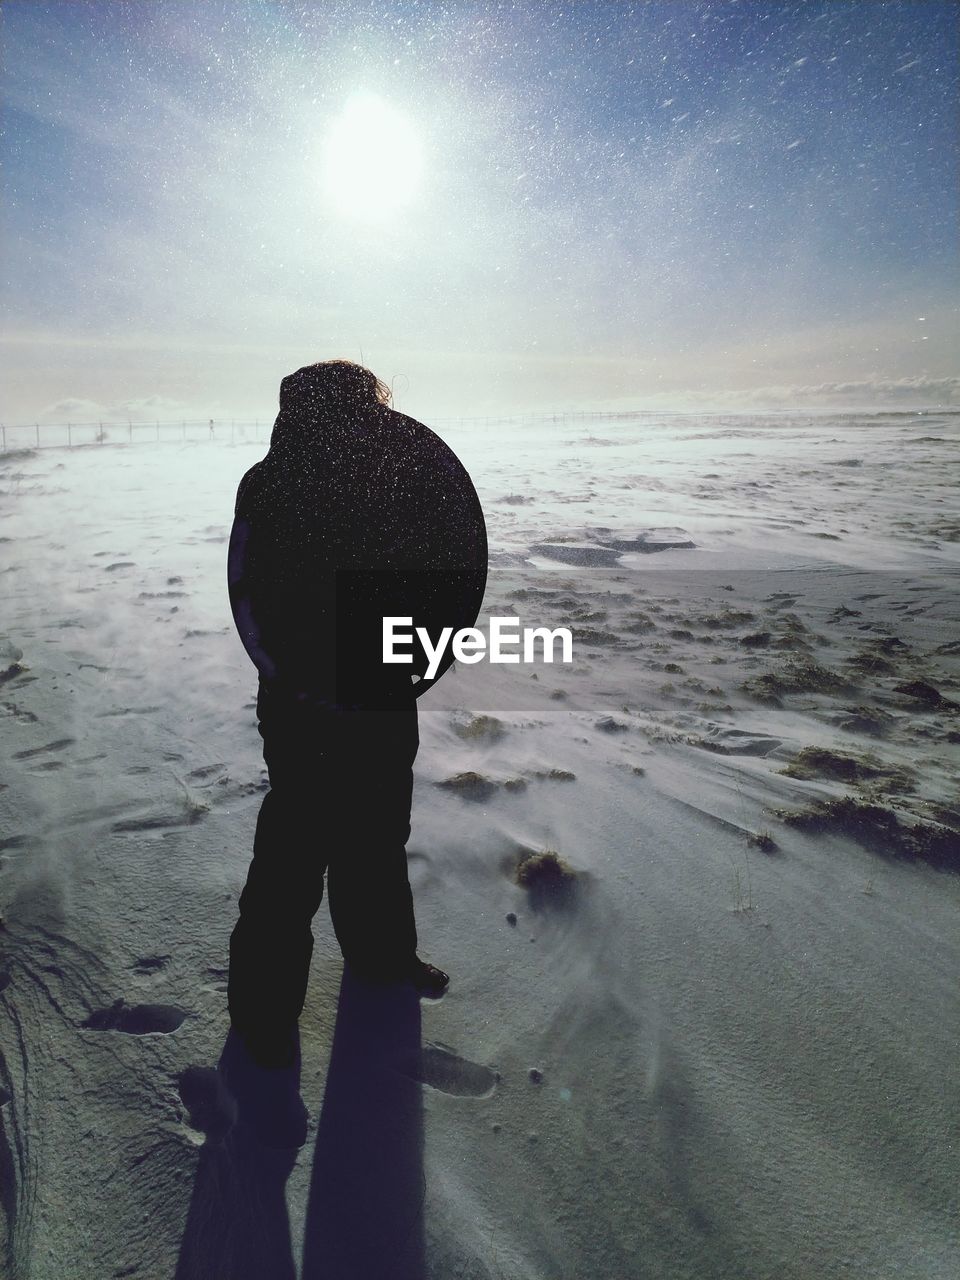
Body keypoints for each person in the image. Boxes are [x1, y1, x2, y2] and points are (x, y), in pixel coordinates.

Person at [226, 360, 487, 1066]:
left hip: (377, 692)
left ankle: (380, 963)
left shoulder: (394, 473)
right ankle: (261, 1012)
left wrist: (418, 651)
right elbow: (257, 590)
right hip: (302, 697)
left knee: (375, 837)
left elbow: (440, 566)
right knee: (294, 849)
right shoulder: (270, 483)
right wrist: (304, 678)